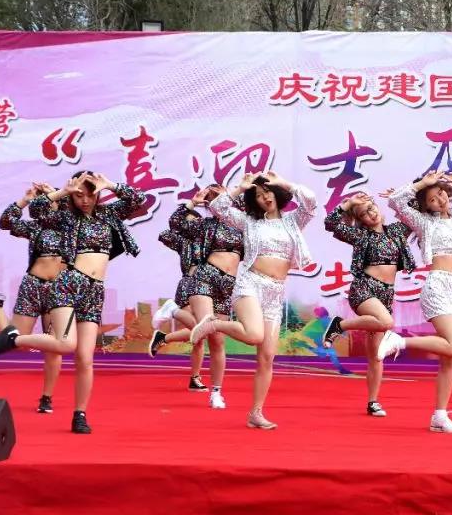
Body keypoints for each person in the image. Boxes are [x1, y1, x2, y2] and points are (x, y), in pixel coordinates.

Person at [0, 172, 145, 435]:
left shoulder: (108, 214)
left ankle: (79, 415)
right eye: (79, 196)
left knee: (85, 358)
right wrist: (63, 191)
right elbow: (36, 210)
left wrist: (109, 184)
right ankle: (14, 339)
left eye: (90, 194)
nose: (85, 200)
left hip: (95, 291)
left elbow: (137, 199)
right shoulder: (66, 217)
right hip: (68, 284)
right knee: (66, 344)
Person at [187, 171, 316, 430]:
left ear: (276, 193)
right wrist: (240, 187)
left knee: (267, 356)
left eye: (268, 192)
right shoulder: (249, 222)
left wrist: (283, 182)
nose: (265, 197)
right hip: (251, 283)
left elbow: (310, 201)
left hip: (275, 291)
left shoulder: (293, 221)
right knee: (255, 335)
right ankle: (214, 324)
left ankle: (256, 413)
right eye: (258, 195)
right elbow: (219, 207)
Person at [376, 171, 452, 434]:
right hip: (437, 285)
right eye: (431, 199)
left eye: (440, 193)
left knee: (449, 357)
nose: (439, 199)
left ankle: (439, 415)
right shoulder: (424, 223)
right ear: (426, 206)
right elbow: (396, 201)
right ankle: (398, 341)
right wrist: (425, 183)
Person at [321, 192, 415, 417]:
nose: (371, 214)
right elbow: (330, 223)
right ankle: (340, 325)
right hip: (364, 288)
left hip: (386, 294)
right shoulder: (360, 235)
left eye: (372, 208)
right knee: (386, 322)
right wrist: (349, 204)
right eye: (364, 214)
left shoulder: (397, 231)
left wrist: (399, 195)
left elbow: (415, 210)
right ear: (360, 220)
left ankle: (373, 402)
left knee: (376, 355)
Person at [149, 186, 244, 410]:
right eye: (212, 197)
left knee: (217, 340)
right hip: (204, 279)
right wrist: (194, 202)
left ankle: (216, 392)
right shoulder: (204, 225)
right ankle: (173, 312)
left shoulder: (242, 224)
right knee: (207, 328)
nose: (216, 196)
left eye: (219, 193)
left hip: (227, 285)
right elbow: (174, 223)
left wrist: (235, 191)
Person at [0, 182, 65, 414]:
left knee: (55, 346)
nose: (46, 204)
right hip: (33, 286)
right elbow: (6, 221)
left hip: (59, 289)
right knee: (14, 337)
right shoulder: (34, 227)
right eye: (43, 201)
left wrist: (53, 193)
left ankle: (46, 398)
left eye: (50, 200)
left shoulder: (70, 226)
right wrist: (25, 200)